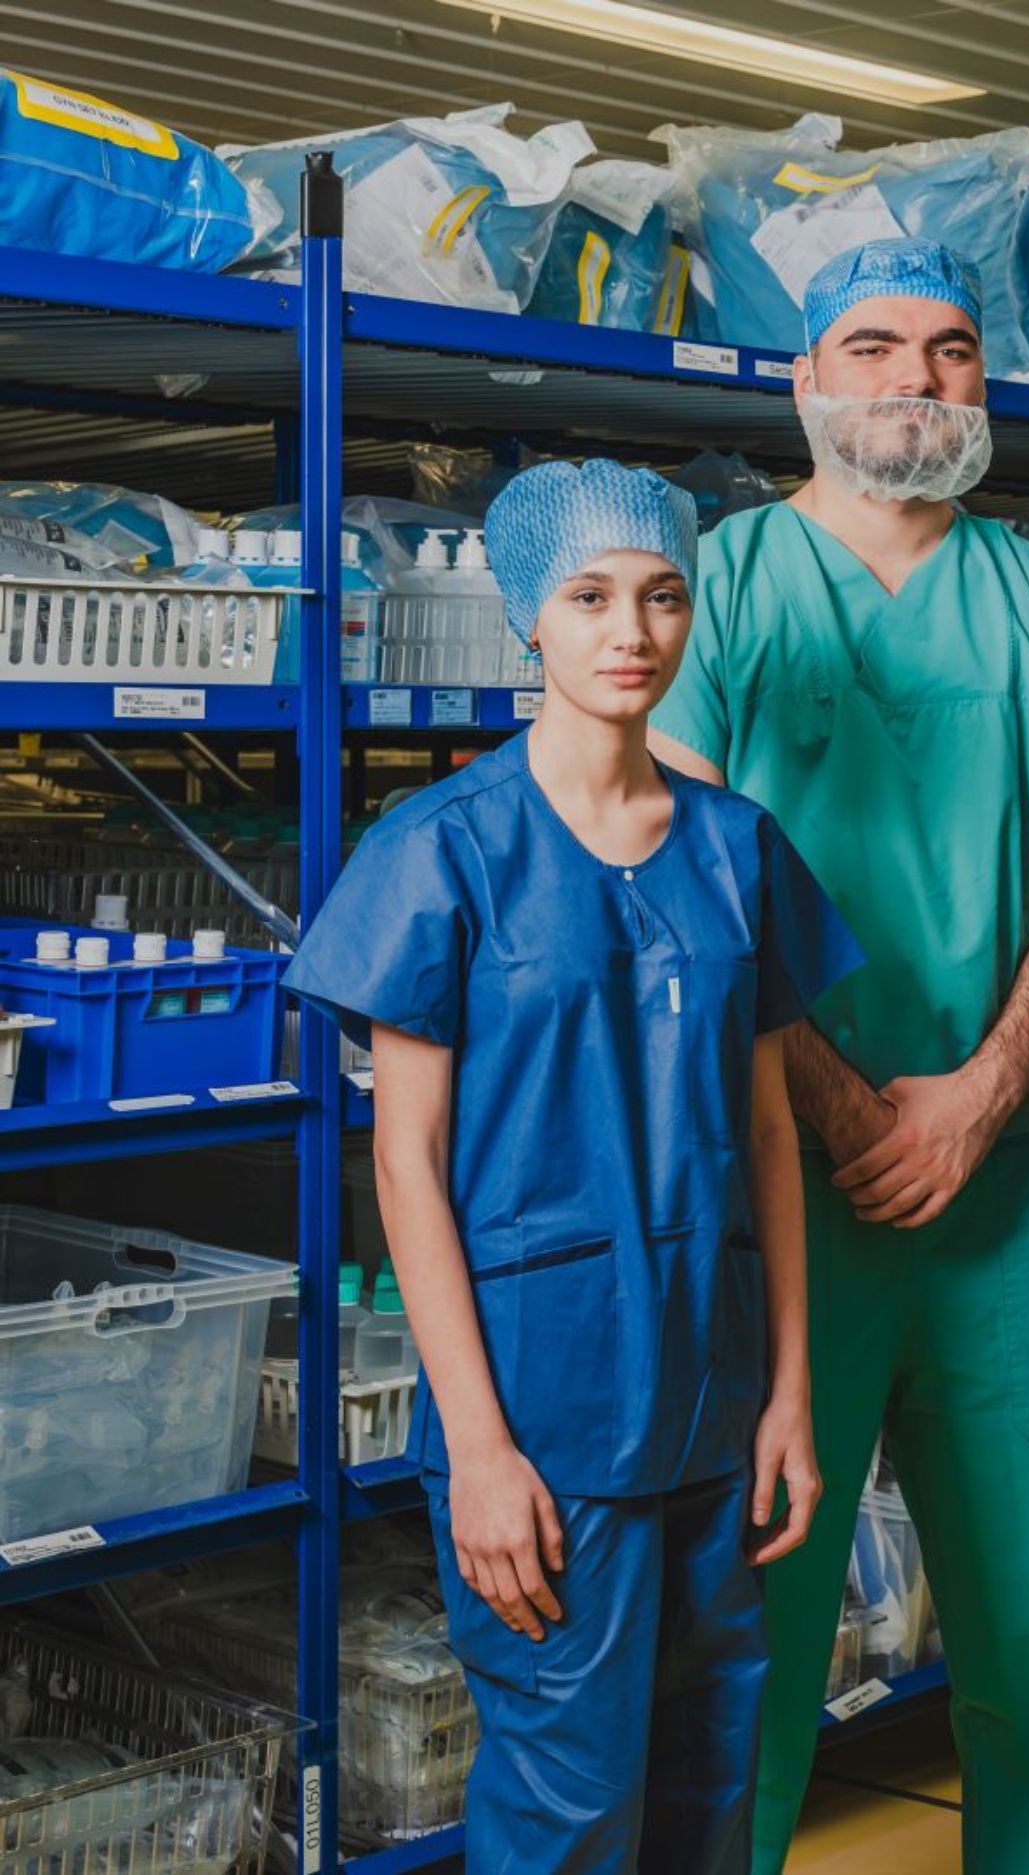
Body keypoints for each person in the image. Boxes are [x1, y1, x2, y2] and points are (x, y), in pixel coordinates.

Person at [647, 237, 1029, 1875]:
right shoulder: (714, 589)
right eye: (871, 346)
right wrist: (845, 1102)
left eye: (949, 351)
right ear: (806, 379)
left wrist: (982, 1096)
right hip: (779, 1178)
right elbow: (690, 887)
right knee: (758, 1624)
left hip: (1005, 1187)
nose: (914, 380)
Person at [285, 460, 861, 1873]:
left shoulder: (737, 849)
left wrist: (791, 1396)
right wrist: (480, 1451)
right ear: (527, 620)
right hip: (545, 1419)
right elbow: (408, 1165)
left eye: (662, 596)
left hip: (717, 1407)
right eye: (591, 597)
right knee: (570, 1807)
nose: (632, 631)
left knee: (712, 1793)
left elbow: (771, 1135)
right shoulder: (443, 852)